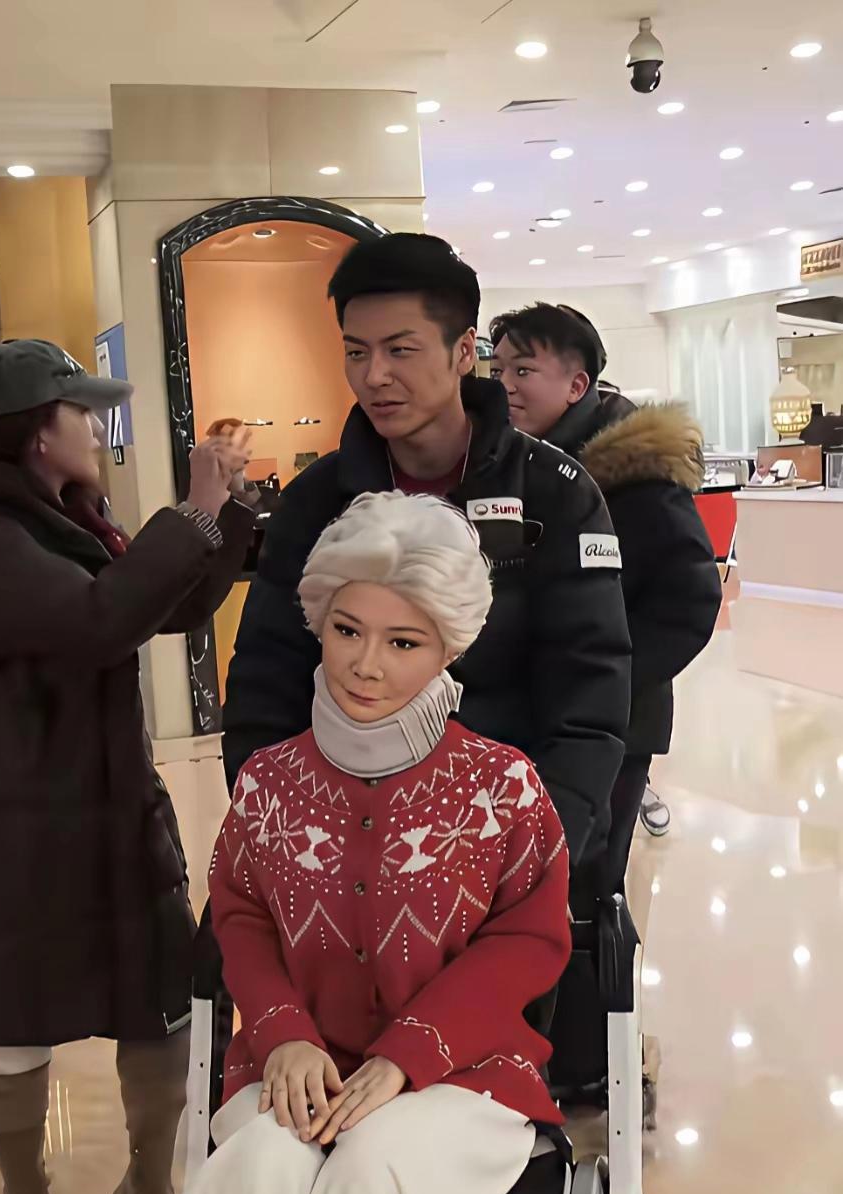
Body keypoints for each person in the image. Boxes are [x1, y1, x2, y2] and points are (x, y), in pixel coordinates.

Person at [170, 489, 626, 1194]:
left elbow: (530, 937)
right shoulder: (269, 783)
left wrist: (408, 1056)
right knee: (252, 1184)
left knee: (368, 1183)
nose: (367, 665)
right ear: (318, 622)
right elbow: (240, 915)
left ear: (449, 646)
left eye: (403, 641)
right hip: (296, 1073)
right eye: (347, 630)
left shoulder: (501, 786)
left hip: (465, 1087)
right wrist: (281, 1033)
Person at [0, 338, 253, 1194]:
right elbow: (98, 623)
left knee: (160, 1005)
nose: (99, 429)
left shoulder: (72, 519)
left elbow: (162, 611)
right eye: (84, 413)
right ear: (39, 433)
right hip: (13, 820)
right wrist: (191, 513)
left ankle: (150, 1182)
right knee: (18, 1020)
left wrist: (222, 517)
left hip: (109, 804)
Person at [221, 233, 631, 874]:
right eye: (356, 352)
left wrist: (531, 862)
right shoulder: (316, 503)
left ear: (464, 351)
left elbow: (590, 696)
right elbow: (265, 684)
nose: (374, 375)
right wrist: (284, 838)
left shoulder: (554, 493)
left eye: (400, 350)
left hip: (506, 838)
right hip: (345, 850)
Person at [490, 303, 721, 895]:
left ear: (577, 385)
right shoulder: (512, 464)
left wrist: (603, 684)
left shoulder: (634, 472)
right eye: (497, 371)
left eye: (523, 371)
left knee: (587, 882)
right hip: (522, 714)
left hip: (616, 725)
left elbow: (691, 599)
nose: (504, 385)